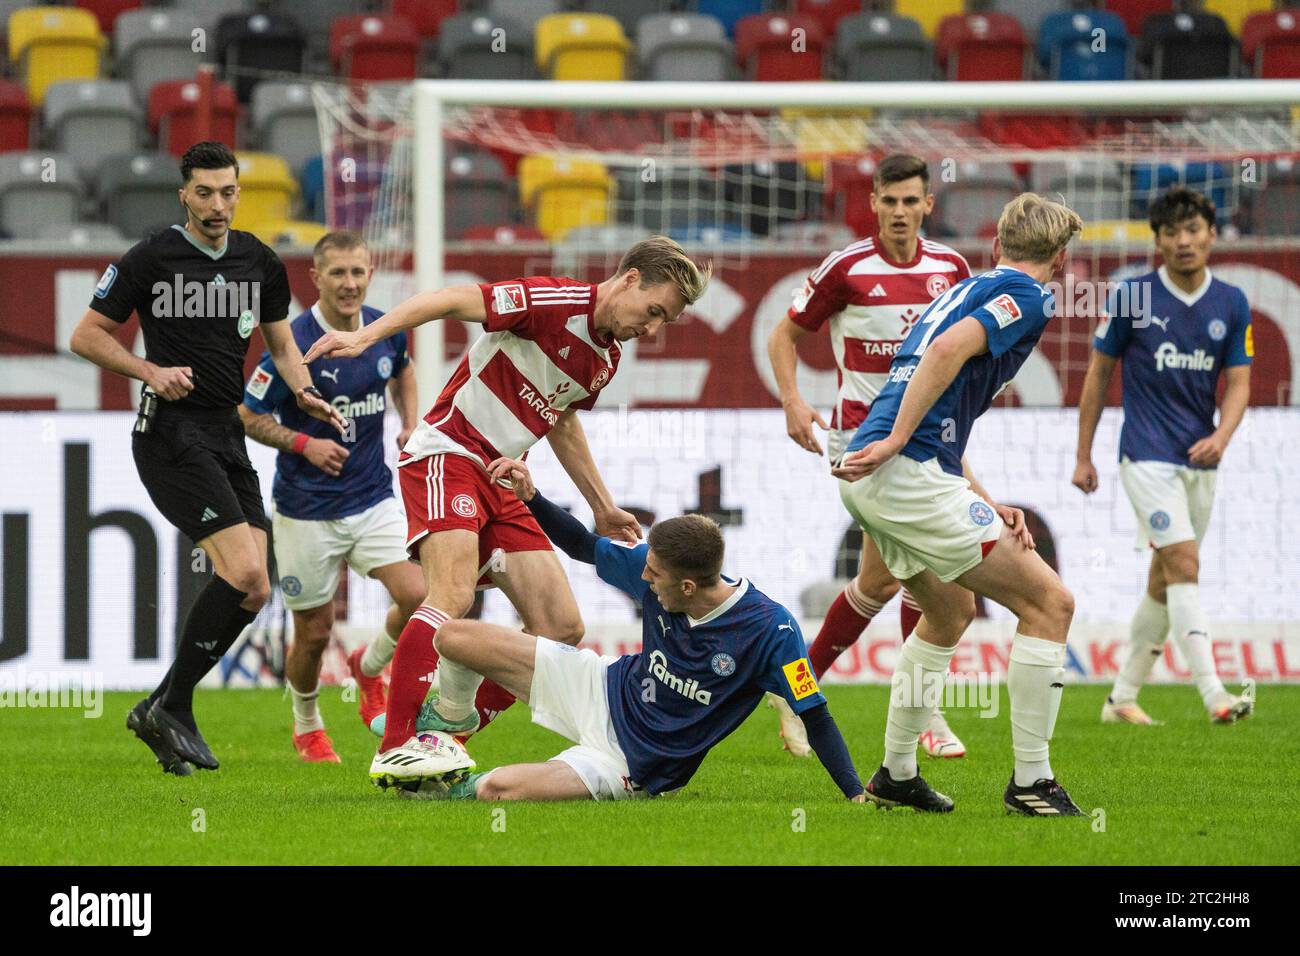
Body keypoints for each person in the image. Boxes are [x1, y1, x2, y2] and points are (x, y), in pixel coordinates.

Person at [301, 237, 711, 783]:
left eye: (665, 322)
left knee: (561, 626)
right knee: (451, 595)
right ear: (631, 279)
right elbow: (450, 299)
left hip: (504, 477)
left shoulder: (605, 357)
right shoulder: (552, 302)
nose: (653, 329)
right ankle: (396, 747)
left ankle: (442, 736)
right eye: (654, 311)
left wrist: (602, 506)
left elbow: (561, 419)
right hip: (449, 451)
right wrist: (365, 335)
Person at [69, 141, 343, 775]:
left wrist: (303, 392)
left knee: (255, 591)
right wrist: (147, 370)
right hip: (169, 433)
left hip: (226, 433)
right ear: (183, 195)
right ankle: (175, 704)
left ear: (239, 192)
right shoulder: (150, 257)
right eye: (205, 193)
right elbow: (84, 334)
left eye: (228, 192)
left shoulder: (259, 261)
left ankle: (162, 708)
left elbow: (281, 343)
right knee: (245, 572)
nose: (218, 205)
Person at [375, 455, 868, 805]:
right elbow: (583, 545)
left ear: (691, 587)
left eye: (655, 575)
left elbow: (816, 715)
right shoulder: (654, 570)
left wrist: (855, 793)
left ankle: (443, 784)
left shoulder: (772, 631)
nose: (644, 578)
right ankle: (444, 735)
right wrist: (532, 496)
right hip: (601, 685)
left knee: (495, 790)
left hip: (633, 762)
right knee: (453, 637)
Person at [834, 193, 1085, 816]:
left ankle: (895, 775)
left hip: (877, 474)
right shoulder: (1029, 297)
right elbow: (946, 356)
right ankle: (1032, 783)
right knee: (1050, 603)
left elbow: (935, 394)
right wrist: (896, 442)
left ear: (996, 244)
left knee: (947, 613)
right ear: (1058, 258)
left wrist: (985, 500)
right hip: (901, 468)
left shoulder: (964, 289)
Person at [768, 153, 973, 759]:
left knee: (881, 581)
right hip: (861, 444)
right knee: (926, 577)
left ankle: (795, 687)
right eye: (891, 201)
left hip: (924, 440)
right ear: (874, 204)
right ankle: (926, 717)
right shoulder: (848, 268)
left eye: (913, 201)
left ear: (928, 205)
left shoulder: (952, 268)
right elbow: (784, 334)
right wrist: (791, 402)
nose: (901, 212)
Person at [239, 230, 426, 762]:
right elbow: (247, 414)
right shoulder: (290, 343)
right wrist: (305, 443)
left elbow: (404, 371)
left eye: (358, 272)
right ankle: (307, 724)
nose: (350, 284)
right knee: (315, 632)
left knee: (422, 597)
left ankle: (369, 668)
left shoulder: (384, 330)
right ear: (316, 278)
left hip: (372, 497)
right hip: (306, 509)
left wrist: (409, 424)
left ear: (370, 275)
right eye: (338, 274)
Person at [1073, 187, 1254, 725]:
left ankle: (1121, 698)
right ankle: (1214, 693)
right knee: (1183, 561)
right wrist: (1083, 455)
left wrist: (1222, 437)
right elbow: (1098, 374)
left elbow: (1241, 384)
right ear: (1157, 241)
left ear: (1212, 235)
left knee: (1163, 576)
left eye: (1193, 230)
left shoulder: (1233, 302)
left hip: (1201, 459)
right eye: (1171, 232)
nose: (1183, 241)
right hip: (1146, 456)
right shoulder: (1133, 297)